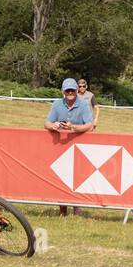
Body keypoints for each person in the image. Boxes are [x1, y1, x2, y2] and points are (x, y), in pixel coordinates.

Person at [45, 78, 93, 215]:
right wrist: (53, 126)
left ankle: (77, 208)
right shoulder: (57, 104)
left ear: (77, 90)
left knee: (78, 177)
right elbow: (47, 123)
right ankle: (62, 209)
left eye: (72, 90)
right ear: (63, 91)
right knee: (60, 178)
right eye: (67, 90)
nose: (70, 92)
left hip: (79, 148)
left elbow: (89, 125)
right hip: (60, 148)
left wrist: (73, 128)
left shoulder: (83, 105)